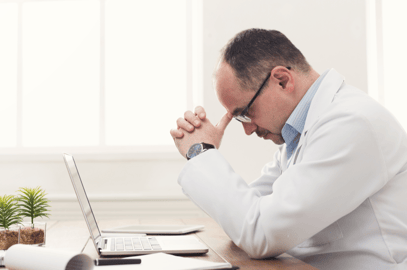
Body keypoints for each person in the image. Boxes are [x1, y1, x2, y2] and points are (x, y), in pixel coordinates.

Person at [170, 28, 407, 270]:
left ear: (283, 80)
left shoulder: (351, 124)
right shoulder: (299, 134)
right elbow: (244, 219)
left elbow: (259, 234)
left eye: (245, 113)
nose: (248, 130)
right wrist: (204, 154)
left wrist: (201, 152)